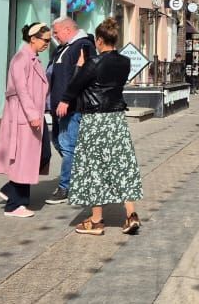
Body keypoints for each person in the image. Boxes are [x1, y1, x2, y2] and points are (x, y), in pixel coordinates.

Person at [56, 18, 143, 236]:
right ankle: (131, 214)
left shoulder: (93, 63)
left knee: (93, 167)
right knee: (122, 164)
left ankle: (96, 220)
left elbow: (76, 85)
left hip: (95, 120)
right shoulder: (125, 62)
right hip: (116, 119)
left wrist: (79, 68)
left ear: (100, 40)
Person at [0, 23, 52, 217]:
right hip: (24, 116)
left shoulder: (34, 59)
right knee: (24, 159)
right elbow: (22, 90)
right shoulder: (21, 59)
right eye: (46, 40)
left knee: (41, 155)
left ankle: (10, 190)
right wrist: (32, 114)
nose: (47, 44)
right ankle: (15, 205)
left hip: (33, 115)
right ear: (33, 38)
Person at [44, 18, 96, 205]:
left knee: (67, 146)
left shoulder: (83, 46)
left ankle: (65, 187)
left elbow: (82, 77)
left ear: (67, 29)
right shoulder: (63, 48)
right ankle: (78, 177)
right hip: (58, 107)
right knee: (59, 143)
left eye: (56, 32)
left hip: (72, 107)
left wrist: (67, 99)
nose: (54, 36)